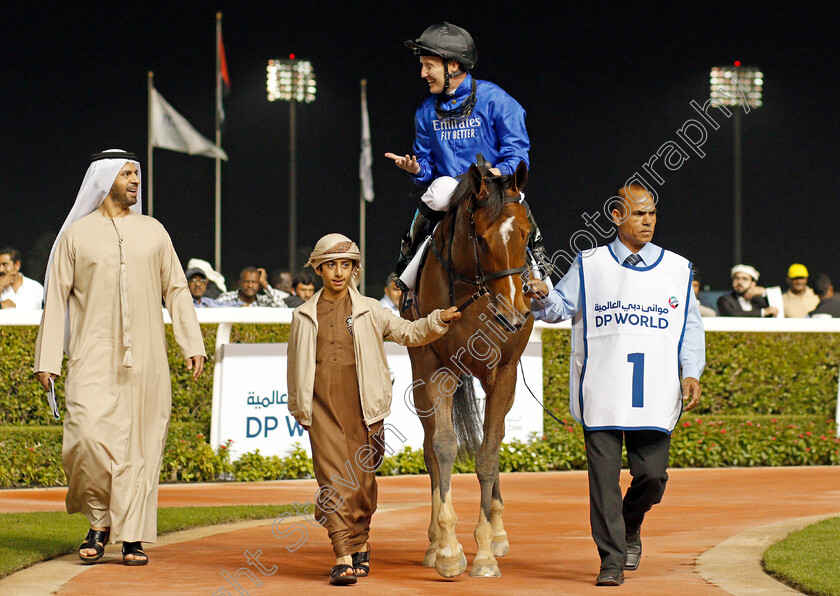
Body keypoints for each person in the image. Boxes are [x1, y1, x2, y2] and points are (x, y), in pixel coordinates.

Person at [33, 150, 206, 566]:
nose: (134, 180)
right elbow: (55, 298)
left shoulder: (154, 231)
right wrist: (49, 357)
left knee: (141, 448)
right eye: (126, 173)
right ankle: (99, 516)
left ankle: (129, 536)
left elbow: (177, 290)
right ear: (105, 177)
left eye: (136, 173)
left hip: (147, 359)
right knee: (86, 439)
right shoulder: (76, 236)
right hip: (92, 355)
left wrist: (192, 343)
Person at [526, 184, 704, 586]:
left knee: (654, 477)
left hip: (655, 393)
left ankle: (630, 523)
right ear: (616, 216)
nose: (648, 221)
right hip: (603, 389)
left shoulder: (678, 267)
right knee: (603, 483)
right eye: (639, 214)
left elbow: (690, 327)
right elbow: (558, 308)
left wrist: (691, 370)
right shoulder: (590, 262)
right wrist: (540, 295)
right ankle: (611, 559)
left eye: (653, 214)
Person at [286, 233, 460, 585]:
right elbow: (295, 367)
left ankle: (360, 540)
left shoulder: (370, 309)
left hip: (366, 411)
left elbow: (409, 332)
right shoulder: (302, 315)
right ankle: (342, 554)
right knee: (333, 483)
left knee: (362, 486)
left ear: (354, 269)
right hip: (322, 411)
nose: (338, 272)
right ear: (318, 268)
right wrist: (300, 408)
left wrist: (438, 319)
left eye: (345, 265)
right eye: (331, 265)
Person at [384, 22, 546, 287]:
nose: (423, 73)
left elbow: (518, 155)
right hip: (451, 189)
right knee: (438, 191)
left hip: (492, 185)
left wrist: (495, 173)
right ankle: (407, 264)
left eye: (429, 66)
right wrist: (416, 169)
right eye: (423, 65)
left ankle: (540, 270)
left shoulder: (498, 101)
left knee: (518, 201)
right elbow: (428, 169)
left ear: (454, 66)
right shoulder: (425, 112)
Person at [216, 267, 289, 307]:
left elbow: (282, 308)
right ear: (240, 283)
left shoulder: (263, 301)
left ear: (259, 285)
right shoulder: (226, 298)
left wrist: (265, 284)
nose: (250, 285)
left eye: (254, 282)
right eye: (247, 282)